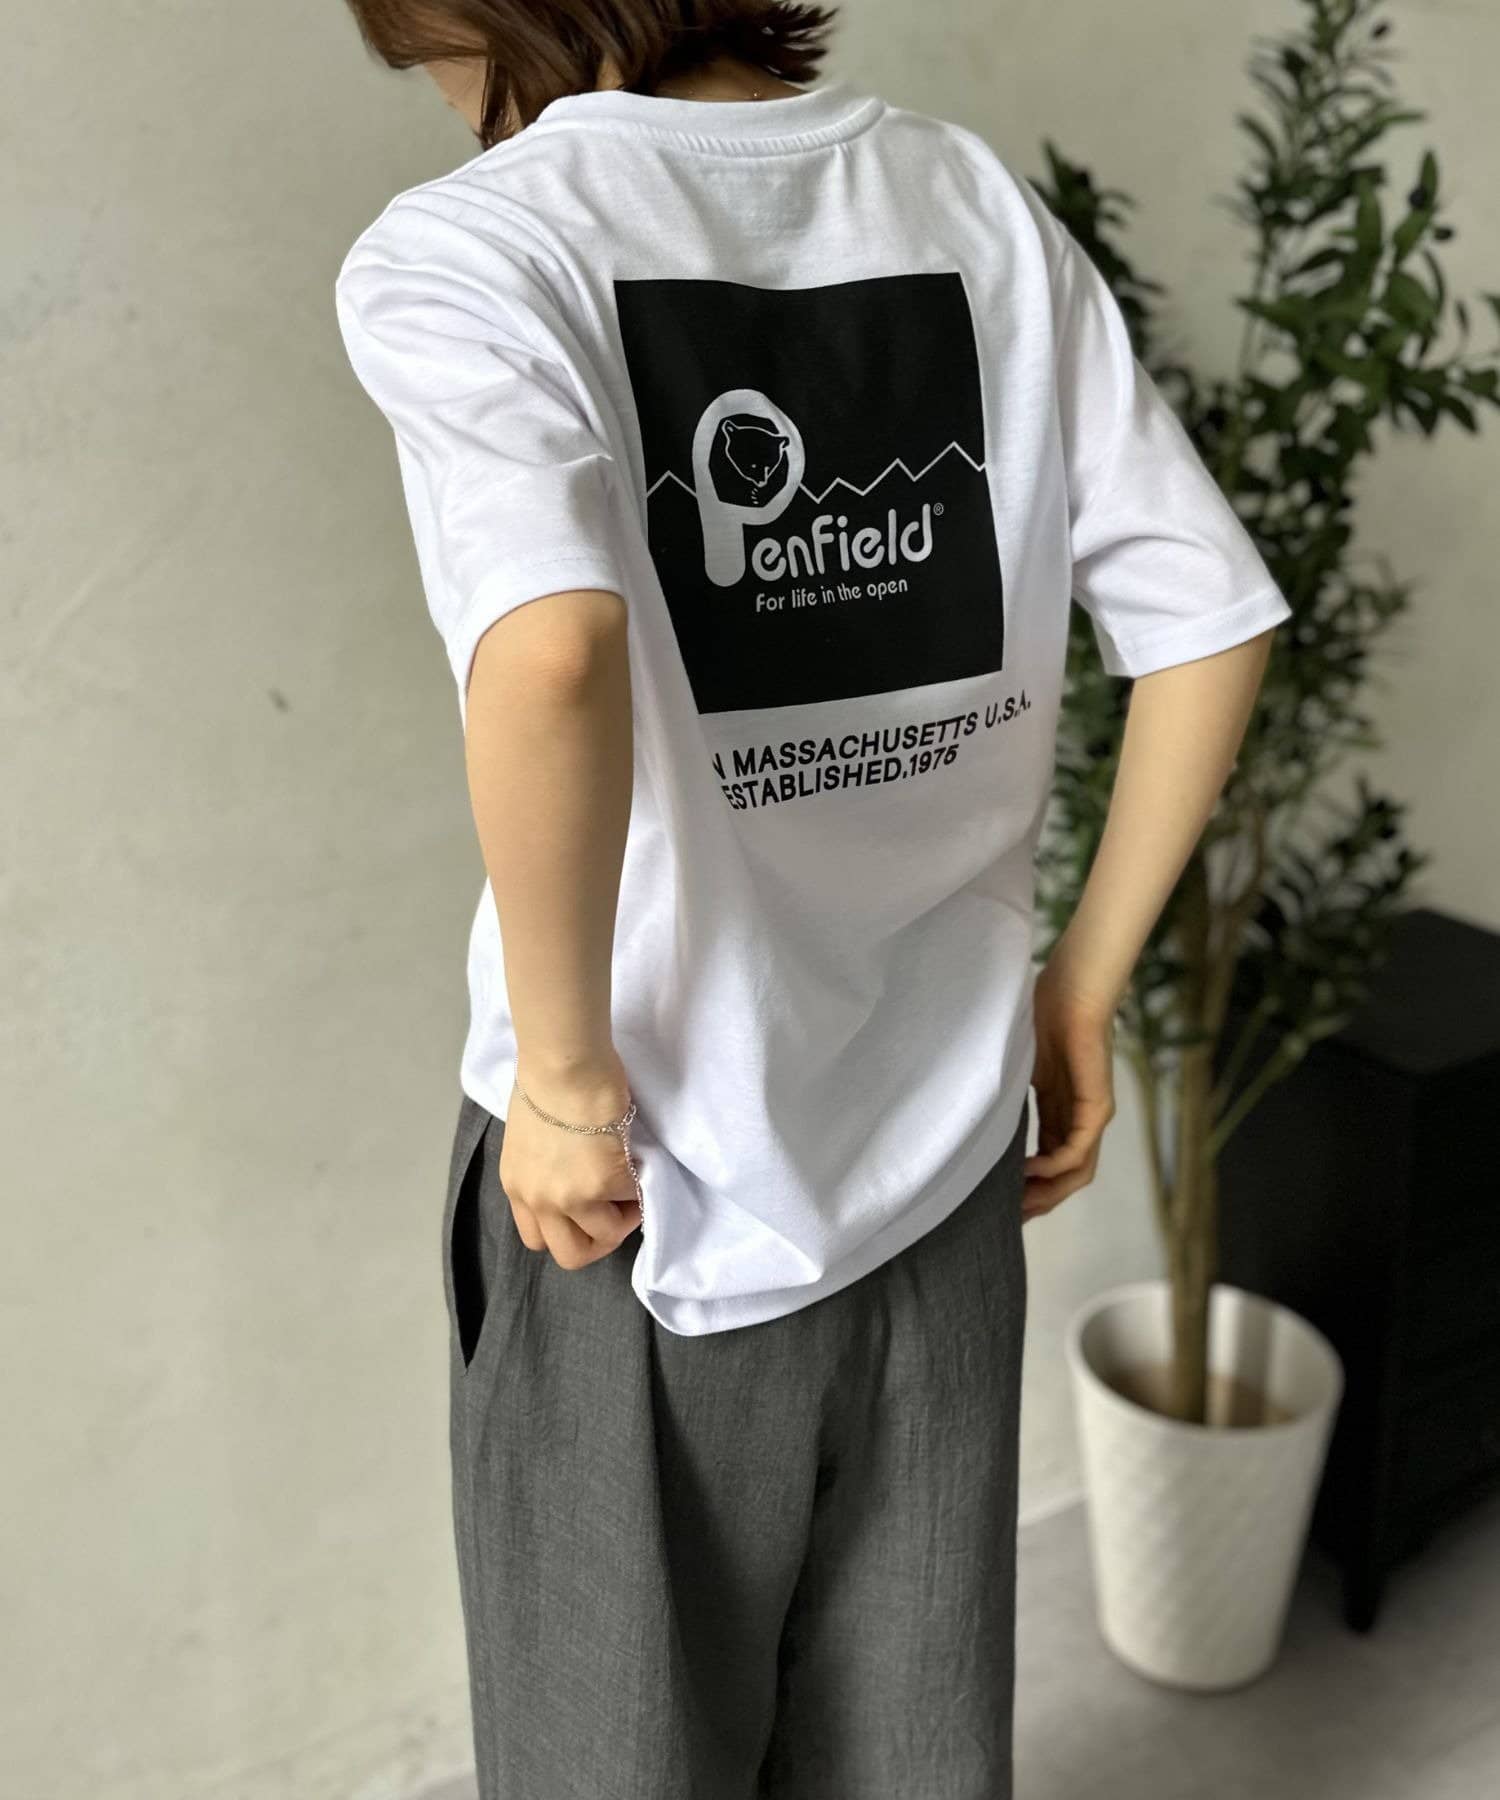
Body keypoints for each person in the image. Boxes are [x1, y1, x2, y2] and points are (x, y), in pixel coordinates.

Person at [333, 4, 1289, 1794]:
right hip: (941, 1169)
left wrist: (565, 1081)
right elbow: (1211, 619)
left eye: (430, 58)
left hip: (635, 1205)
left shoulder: (475, 248)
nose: (457, 105)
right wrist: (1076, 994)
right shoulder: (970, 200)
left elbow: (552, 649)